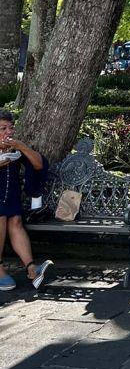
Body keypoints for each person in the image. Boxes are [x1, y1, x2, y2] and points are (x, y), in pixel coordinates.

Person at [0, 110, 52, 291]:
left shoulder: (14, 149)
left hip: (10, 198)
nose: (9, 132)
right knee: (1, 218)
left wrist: (22, 147)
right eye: (3, 128)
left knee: (15, 220)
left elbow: (38, 164)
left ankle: (31, 268)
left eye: (10, 128)